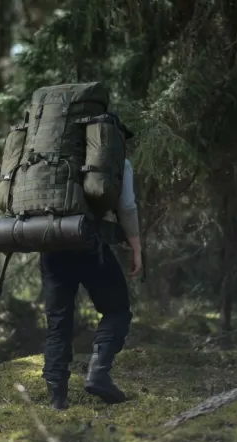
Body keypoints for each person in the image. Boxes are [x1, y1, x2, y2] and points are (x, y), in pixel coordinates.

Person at [39, 157, 142, 410]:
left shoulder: (45, 153)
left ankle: (57, 398)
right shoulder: (110, 152)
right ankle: (98, 372)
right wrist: (136, 247)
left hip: (50, 241)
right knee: (117, 309)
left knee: (58, 323)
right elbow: (127, 207)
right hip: (89, 243)